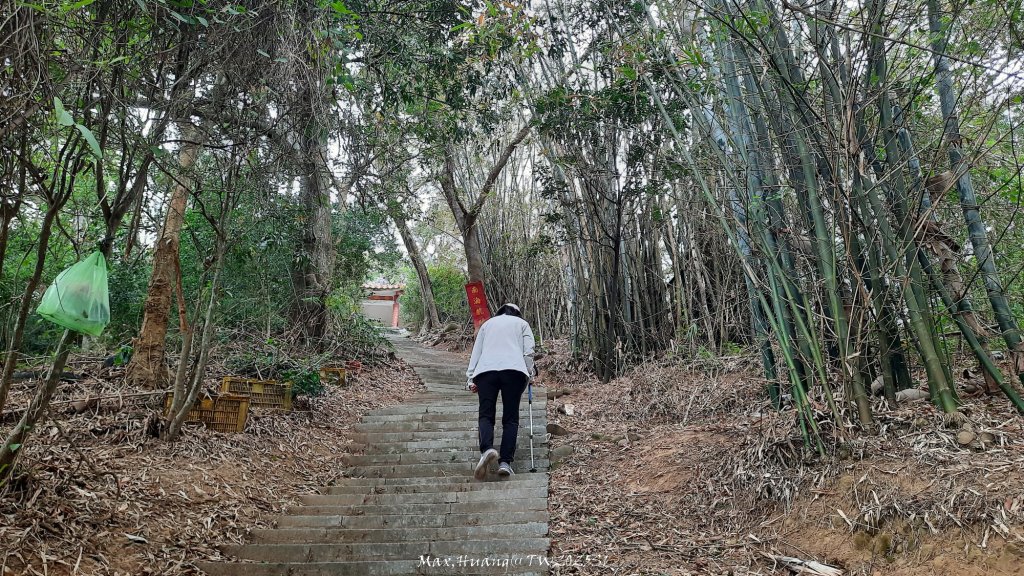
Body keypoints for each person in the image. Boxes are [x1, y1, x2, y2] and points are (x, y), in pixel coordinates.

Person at [466, 303, 535, 479]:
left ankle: (487, 449)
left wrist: (470, 378)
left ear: (499, 313)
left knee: (486, 415)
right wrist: (529, 372)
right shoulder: (522, 324)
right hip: (514, 371)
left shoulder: (487, 324)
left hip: (486, 371)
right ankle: (505, 462)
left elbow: (477, 351)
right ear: (517, 313)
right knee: (511, 419)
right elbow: (529, 352)